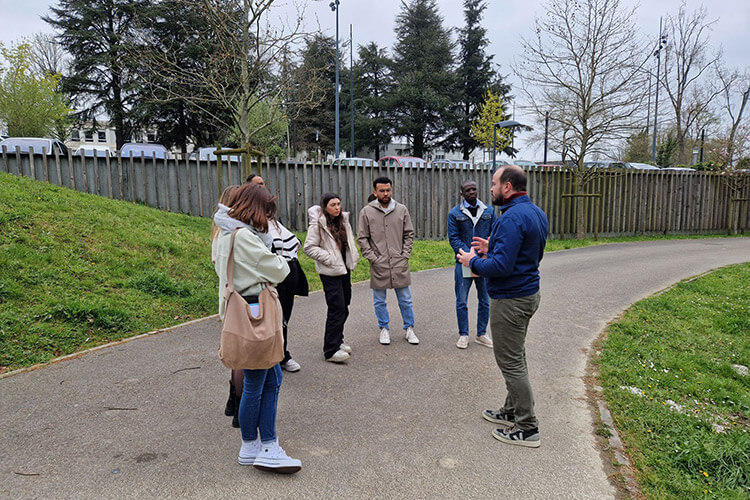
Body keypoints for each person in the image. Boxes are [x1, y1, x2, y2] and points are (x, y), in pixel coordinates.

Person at [456, 165, 548, 448]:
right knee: (516, 358)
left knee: (510, 363)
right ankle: (511, 410)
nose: (492, 188)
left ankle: (528, 427)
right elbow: (525, 253)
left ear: (507, 186)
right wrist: (491, 245)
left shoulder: (510, 218)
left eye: (495, 183)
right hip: (527, 294)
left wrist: (472, 261)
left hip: (510, 300)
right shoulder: (534, 212)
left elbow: (500, 267)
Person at [213, 183, 302, 473]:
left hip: (243, 310)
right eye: (267, 211)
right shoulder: (245, 238)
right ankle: (260, 445)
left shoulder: (225, 235)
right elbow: (279, 269)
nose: (269, 218)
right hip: (255, 312)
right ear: (257, 210)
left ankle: (258, 445)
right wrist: (275, 253)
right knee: (258, 382)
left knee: (271, 378)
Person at [246, 174, 308, 373]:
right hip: (271, 279)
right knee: (271, 320)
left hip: (289, 274)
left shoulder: (273, 217)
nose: (262, 188)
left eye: (263, 184)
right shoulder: (248, 221)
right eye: (257, 185)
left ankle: (281, 354)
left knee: (284, 319)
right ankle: (271, 357)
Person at [357, 177, 418, 346]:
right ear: (375, 192)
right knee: (379, 300)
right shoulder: (366, 212)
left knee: (405, 298)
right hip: (379, 264)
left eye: (388, 190)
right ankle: (384, 328)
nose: (386, 193)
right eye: (382, 191)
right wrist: (373, 258)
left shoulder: (401, 210)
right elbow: (362, 238)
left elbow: (409, 234)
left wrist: (404, 254)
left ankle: (409, 328)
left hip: (399, 262)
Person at [303, 193, 360, 363]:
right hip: (330, 272)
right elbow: (309, 247)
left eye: (338, 204)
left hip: (344, 269)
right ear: (325, 207)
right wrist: (329, 258)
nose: (337, 207)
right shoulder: (318, 224)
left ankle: (338, 340)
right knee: (336, 308)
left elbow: (348, 242)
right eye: (332, 205)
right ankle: (330, 350)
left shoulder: (343, 221)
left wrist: (352, 256)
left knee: (345, 306)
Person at [447, 180, 495, 350]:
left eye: (474, 189)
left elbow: (493, 234)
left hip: (484, 261)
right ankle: (463, 334)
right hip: (463, 262)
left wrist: (483, 253)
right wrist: (468, 254)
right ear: (462, 193)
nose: (472, 192)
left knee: (485, 299)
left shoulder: (489, 211)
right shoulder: (454, 214)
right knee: (462, 300)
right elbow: (453, 238)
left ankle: (481, 333)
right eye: (468, 190)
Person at [211, 184, 244, 427]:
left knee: (236, 357)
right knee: (243, 358)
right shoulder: (236, 234)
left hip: (226, 295)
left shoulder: (219, 232)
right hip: (241, 298)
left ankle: (234, 400)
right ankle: (241, 407)